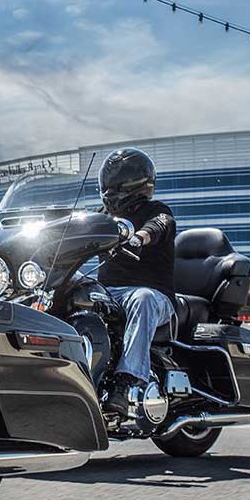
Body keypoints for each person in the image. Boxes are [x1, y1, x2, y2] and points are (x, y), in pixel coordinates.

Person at [94, 147, 176, 415]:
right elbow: (77, 230)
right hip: (108, 293)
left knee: (143, 299)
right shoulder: (102, 217)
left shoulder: (158, 210)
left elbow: (160, 225)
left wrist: (139, 237)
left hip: (153, 295)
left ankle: (127, 381)